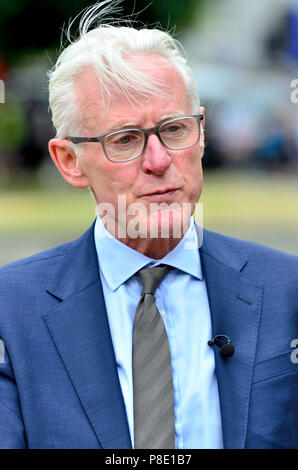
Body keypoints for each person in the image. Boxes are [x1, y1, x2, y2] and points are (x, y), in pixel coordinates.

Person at [0, 1, 297, 449]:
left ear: (202, 133)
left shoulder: (287, 291)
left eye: (175, 130)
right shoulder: (10, 311)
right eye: (125, 140)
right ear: (69, 161)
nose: (158, 162)